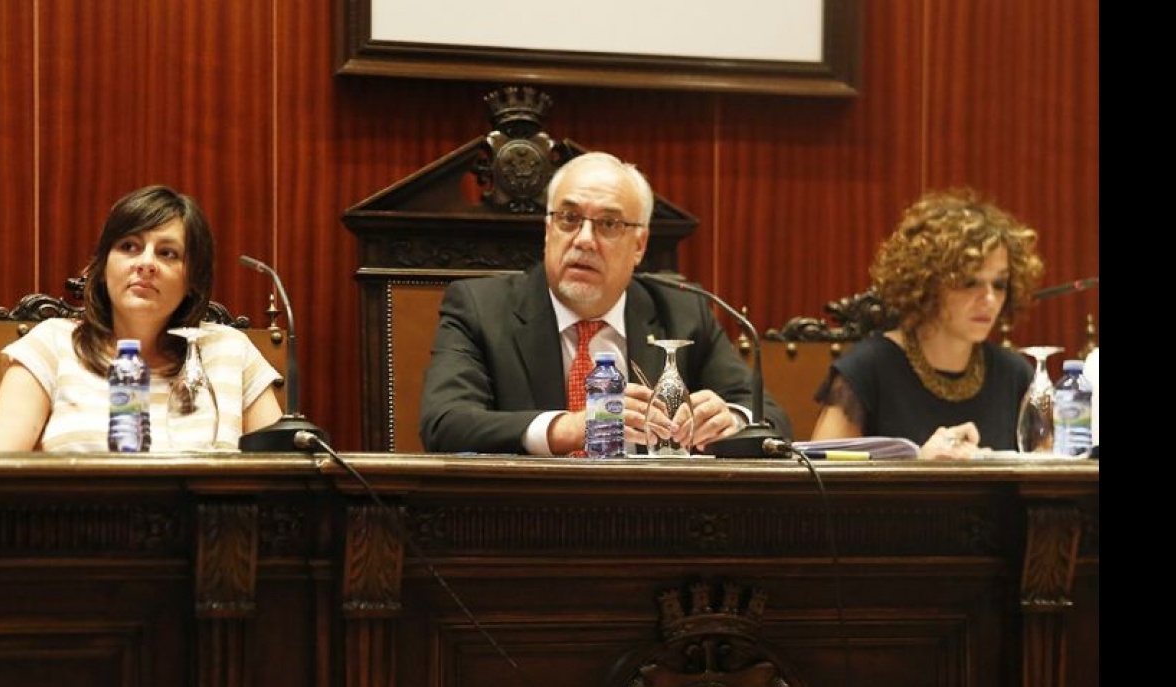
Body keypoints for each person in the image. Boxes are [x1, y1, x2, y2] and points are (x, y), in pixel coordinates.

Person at [419, 151, 792, 455]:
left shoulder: (683, 313)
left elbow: (772, 418)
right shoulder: (480, 308)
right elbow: (445, 422)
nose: (583, 240)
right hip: (520, 522)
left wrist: (733, 418)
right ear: (548, 230)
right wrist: (570, 427)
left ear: (640, 246)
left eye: (609, 225)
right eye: (568, 219)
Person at [0, 184, 283, 451]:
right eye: (129, 247)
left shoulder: (230, 350)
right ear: (102, 269)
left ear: (192, 280)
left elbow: (280, 481)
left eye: (167, 253)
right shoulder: (51, 344)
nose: (146, 263)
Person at [809, 188, 1046, 459]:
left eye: (1000, 284)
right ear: (929, 284)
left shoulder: (1014, 373)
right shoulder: (868, 369)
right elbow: (820, 488)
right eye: (969, 282)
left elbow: (1048, 475)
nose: (990, 299)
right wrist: (918, 468)